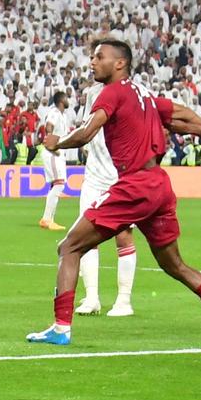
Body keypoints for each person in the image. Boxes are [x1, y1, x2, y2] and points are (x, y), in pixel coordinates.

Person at [27, 39, 201, 345]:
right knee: (175, 265)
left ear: (119, 64)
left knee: (69, 248)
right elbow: (186, 117)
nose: (92, 61)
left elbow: (87, 132)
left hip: (135, 187)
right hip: (159, 185)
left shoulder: (113, 92)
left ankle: (61, 328)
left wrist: (58, 143)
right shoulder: (144, 95)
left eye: (99, 57)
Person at [74, 82, 137, 317]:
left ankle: (124, 300)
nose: (93, 62)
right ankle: (91, 297)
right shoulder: (92, 92)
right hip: (93, 177)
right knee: (86, 236)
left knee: (123, 236)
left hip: (120, 176)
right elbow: (87, 129)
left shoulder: (131, 93)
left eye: (99, 58)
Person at [39, 91, 69, 231]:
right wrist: (50, 143)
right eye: (66, 98)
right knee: (59, 184)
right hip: (53, 153)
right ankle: (46, 219)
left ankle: (49, 218)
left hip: (59, 153)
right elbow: (49, 126)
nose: (68, 100)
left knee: (56, 185)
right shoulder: (54, 112)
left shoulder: (64, 116)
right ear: (61, 100)